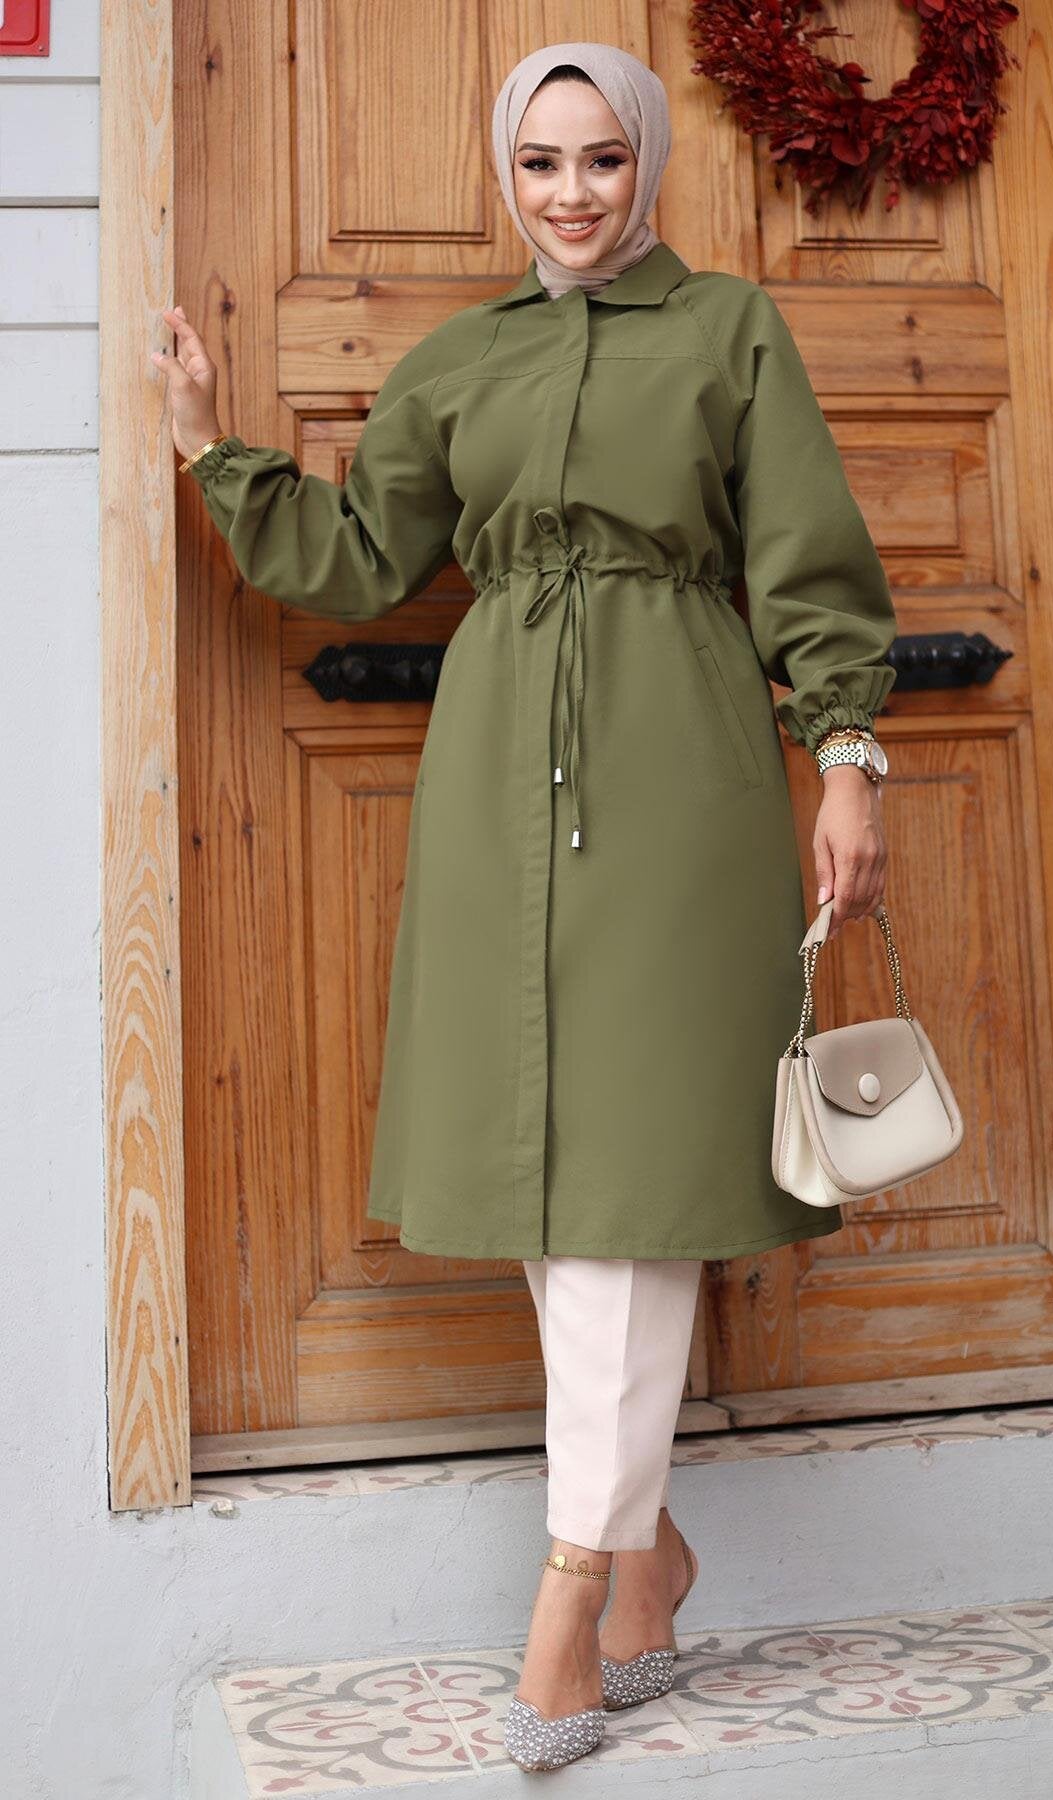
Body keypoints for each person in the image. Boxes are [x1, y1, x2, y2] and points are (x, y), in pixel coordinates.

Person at [152, 40, 897, 1776]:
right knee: (557, 1174)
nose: (573, 194)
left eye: (603, 160)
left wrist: (847, 761)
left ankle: (569, 1602)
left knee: (636, 1182)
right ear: (510, 177)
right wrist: (209, 451)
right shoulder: (460, 361)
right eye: (543, 163)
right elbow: (359, 557)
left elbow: (806, 559)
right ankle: (647, 1559)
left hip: (679, 778)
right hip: (497, 785)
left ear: (647, 168)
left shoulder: (730, 332)